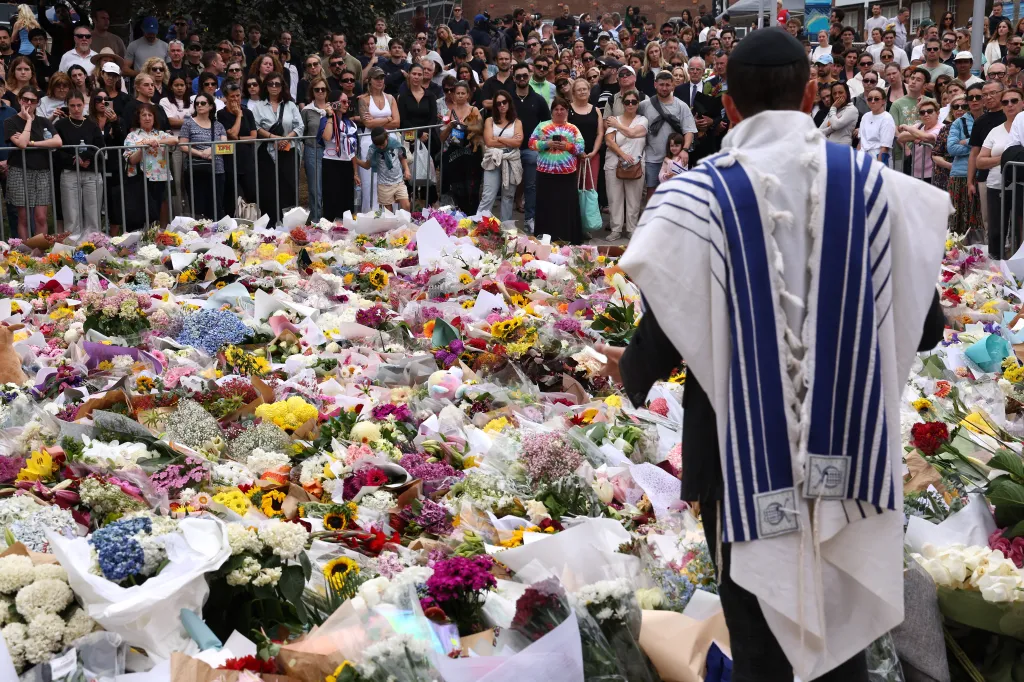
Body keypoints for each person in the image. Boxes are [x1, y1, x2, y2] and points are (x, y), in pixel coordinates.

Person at [603, 27, 949, 682]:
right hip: (847, 455)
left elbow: (666, 330)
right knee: (839, 647)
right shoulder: (878, 191)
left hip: (736, 460)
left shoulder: (696, 199)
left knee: (759, 644)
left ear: (727, 106)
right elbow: (925, 328)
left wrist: (624, 374)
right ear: (813, 94)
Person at [4, 85, 60, 238]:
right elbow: (21, 144)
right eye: (25, 100)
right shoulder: (10, 122)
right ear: (19, 100)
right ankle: (27, 254)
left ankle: (39, 252)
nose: (28, 103)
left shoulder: (44, 122)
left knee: (41, 216)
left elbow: (57, 141)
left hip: (42, 171)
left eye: (32, 101)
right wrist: (28, 120)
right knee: (23, 217)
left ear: (37, 103)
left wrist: (33, 144)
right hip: (19, 171)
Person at [529, 96, 585, 244]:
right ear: (552, 111)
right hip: (545, 174)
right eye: (556, 109)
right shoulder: (542, 126)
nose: (559, 112)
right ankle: (544, 239)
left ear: (567, 111)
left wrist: (566, 146)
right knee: (546, 207)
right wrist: (546, 144)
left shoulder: (573, 129)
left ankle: (568, 238)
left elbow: (581, 147)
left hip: (566, 175)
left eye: (562, 109)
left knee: (565, 208)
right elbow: (531, 143)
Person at [252, 72, 303, 224]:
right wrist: (272, 137)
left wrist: (286, 138)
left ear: (282, 87)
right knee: (269, 188)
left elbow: (300, 126)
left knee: (289, 187)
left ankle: (290, 224)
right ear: (265, 86)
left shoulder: (290, 105)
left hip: (289, 150)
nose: (274, 87)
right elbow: (255, 126)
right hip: (266, 152)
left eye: (277, 84)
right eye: (270, 84)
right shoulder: (259, 106)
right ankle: (270, 225)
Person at [639, 70, 696, 198]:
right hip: (651, 158)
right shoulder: (644, 106)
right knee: (652, 193)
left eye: (667, 85)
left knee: (675, 194)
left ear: (673, 85)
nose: (664, 88)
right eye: (661, 84)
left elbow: (689, 131)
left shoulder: (682, 106)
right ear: (655, 85)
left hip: (675, 158)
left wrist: (685, 150)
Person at [979, 86, 1022, 257]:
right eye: (1005, 102)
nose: (1010, 105)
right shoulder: (994, 131)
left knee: (1020, 231)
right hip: (996, 184)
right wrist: (1004, 159)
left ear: (1023, 103)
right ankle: (995, 270)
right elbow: (980, 161)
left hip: (1020, 186)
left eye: (1014, 101)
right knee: (996, 230)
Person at [122, 102, 176, 230]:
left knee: (162, 204)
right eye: (144, 115)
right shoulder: (132, 136)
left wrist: (157, 141)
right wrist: (143, 148)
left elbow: (175, 140)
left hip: (160, 176)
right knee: (143, 208)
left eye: (150, 115)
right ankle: (146, 234)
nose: (147, 118)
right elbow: (131, 160)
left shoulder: (160, 134)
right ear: (138, 118)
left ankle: (162, 232)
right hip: (141, 178)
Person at [54, 90, 102, 234]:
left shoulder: (92, 124)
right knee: (71, 215)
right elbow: (57, 149)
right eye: (72, 106)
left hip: (90, 172)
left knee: (93, 214)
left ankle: (94, 244)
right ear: (67, 106)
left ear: (84, 105)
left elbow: (100, 146)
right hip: (69, 172)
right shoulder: (60, 125)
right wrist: (74, 160)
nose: (76, 109)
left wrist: (86, 158)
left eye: (79, 105)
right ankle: (73, 249)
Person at [603, 88, 647, 240]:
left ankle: (632, 229)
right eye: (627, 102)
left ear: (638, 103)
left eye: (633, 102)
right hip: (614, 163)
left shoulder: (642, 120)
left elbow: (633, 133)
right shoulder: (614, 119)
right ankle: (615, 229)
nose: (630, 104)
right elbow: (609, 141)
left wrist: (618, 125)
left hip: (635, 164)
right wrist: (623, 155)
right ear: (623, 103)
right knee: (614, 198)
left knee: (634, 199)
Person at [356, 66, 400, 211]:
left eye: (382, 78)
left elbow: (397, 122)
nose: (380, 81)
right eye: (376, 78)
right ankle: (371, 212)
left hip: (390, 140)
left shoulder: (391, 98)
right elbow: (367, 123)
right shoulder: (363, 99)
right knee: (370, 179)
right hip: (370, 141)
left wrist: (377, 120)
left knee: (390, 176)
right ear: (369, 80)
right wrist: (388, 119)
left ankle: (390, 212)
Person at [178, 91, 227, 219]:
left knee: (216, 206)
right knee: (198, 208)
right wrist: (200, 153)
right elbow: (182, 145)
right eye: (197, 103)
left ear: (211, 106)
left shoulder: (218, 125)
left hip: (217, 169)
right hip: (196, 170)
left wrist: (211, 150)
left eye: (203, 103)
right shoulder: (188, 123)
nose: (199, 105)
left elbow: (226, 145)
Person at [477, 90, 522, 220]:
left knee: (508, 196)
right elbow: (489, 142)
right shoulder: (489, 120)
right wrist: (509, 140)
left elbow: (518, 142)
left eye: (504, 102)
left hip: (511, 158)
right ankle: (479, 225)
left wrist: (499, 139)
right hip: (493, 158)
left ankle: (505, 230)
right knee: (488, 195)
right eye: (498, 103)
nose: (502, 105)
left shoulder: (516, 122)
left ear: (509, 103)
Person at [947, 83, 984, 238]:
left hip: (983, 175)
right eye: (971, 97)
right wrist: (976, 144)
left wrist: (966, 141)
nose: (974, 100)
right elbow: (952, 149)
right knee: (958, 220)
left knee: (980, 219)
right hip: (960, 175)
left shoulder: (991, 119)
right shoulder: (958, 122)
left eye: (978, 97)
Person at [439, 80, 482, 214]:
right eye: (458, 93)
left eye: (463, 93)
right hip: (455, 153)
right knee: (456, 187)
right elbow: (442, 137)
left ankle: (472, 216)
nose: (460, 95)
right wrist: (451, 125)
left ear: (468, 95)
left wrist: (467, 125)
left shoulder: (473, 109)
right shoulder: (450, 112)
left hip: (471, 152)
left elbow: (480, 128)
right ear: (453, 95)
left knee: (471, 187)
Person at [217, 81, 258, 218]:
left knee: (252, 194)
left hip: (247, 160)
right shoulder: (221, 114)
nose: (235, 99)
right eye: (232, 97)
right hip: (230, 161)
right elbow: (232, 133)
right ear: (226, 98)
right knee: (232, 197)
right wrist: (238, 116)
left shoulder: (249, 113)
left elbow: (253, 136)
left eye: (238, 96)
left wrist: (238, 139)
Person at [319, 90, 359, 220]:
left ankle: (345, 230)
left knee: (347, 200)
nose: (346, 104)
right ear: (334, 103)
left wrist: (355, 173)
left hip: (346, 164)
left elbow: (352, 151)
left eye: (348, 102)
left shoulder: (351, 124)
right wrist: (330, 116)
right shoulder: (325, 119)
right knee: (331, 198)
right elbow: (327, 136)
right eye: (343, 101)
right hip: (331, 162)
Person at [353, 125, 411, 210]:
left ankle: (406, 222)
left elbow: (402, 157)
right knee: (388, 212)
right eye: (378, 145)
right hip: (384, 185)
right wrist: (356, 160)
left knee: (406, 205)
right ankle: (391, 223)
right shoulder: (372, 150)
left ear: (387, 138)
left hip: (399, 181)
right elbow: (367, 165)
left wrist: (406, 169)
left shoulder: (394, 144)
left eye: (382, 144)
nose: (381, 147)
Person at [300, 76, 330, 222]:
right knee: (315, 189)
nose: (320, 92)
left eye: (323, 89)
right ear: (312, 91)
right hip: (313, 150)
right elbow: (302, 131)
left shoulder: (333, 108)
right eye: (317, 89)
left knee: (329, 187)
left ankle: (329, 219)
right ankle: (316, 221)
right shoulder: (306, 110)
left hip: (331, 152)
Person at [897, 96, 942, 181]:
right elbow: (901, 137)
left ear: (937, 113)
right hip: (915, 172)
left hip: (933, 174)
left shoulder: (941, 127)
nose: (926, 114)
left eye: (929, 111)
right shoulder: (919, 126)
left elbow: (928, 137)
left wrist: (908, 128)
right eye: (922, 112)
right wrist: (918, 135)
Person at [932, 93, 963, 191]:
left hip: (967, 176)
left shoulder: (976, 127)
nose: (959, 109)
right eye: (956, 107)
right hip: (945, 176)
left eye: (964, 106)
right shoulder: (945, 129)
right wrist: (951, 166)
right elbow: (935, 154)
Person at [858, 86, 896, 164]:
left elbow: (884, 147)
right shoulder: (865, 116)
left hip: (877, 157)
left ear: (884, 101)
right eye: (869, 99)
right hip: (863, 158)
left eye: (876, 99)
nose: (873, 101)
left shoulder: (887, 118)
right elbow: (861, 142)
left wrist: (878, 168)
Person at [819, 81, 857, 145]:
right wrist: (831, 129)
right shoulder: (834, 110)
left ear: (847, 93)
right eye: (834, 93)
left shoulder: (852, 110)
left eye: (840, 92)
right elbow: (820, 130)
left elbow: (836, 125)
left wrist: (833, 108)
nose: (837, 96)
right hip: (829, 146)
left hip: (842, 147)